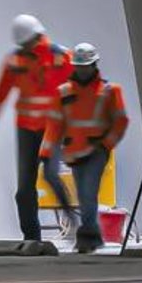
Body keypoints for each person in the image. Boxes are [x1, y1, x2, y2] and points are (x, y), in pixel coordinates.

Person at [0, 14, 74, 244]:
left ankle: (73, 222)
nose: (24, 48)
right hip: (26, 130)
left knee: (51, 175)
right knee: (24, 191)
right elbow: (0, 93)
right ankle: (32, 239)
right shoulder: (15, 61)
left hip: (53, 128)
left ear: (36, 37)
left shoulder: (61, 57)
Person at [46, 43, 130, 254]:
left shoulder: (109, 91)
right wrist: (46, 152)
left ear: (94, 65)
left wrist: (106, 145)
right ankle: (93, 236)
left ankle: (88, 237)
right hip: (74, 153)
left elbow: (121, 121)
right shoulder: (64, 93)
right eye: (79, 66)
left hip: (96, 151)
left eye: (86, 66)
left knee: (87, 193)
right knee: (84, 196)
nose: (82, 70)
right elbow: (55, 125)